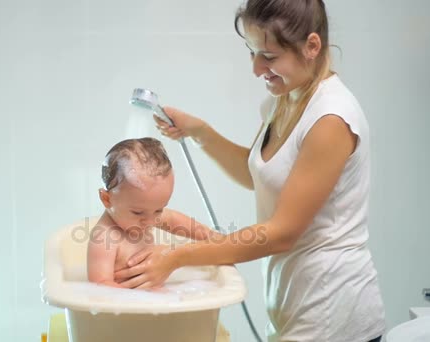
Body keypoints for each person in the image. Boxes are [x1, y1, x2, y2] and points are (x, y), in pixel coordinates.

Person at [113, 1, 386, 341]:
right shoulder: (285, 100)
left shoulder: (330, 119)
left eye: (268, 56)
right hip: (295, 305)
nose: (257, 68)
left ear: (312, 46)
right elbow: (256, 174)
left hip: (334, 314)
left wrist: (178, 255)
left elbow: (282, 232)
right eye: (252, 52)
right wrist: (200, 133)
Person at [87, 137, 217, 288]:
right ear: (106, 199)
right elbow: (100, 286)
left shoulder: (145, 215)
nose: (150, 221)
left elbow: (174, 220)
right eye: (137, 212)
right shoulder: (104, 238)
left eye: (158, 210)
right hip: (124, 308)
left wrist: (213, 238)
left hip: (152, 302)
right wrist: (138, 301)